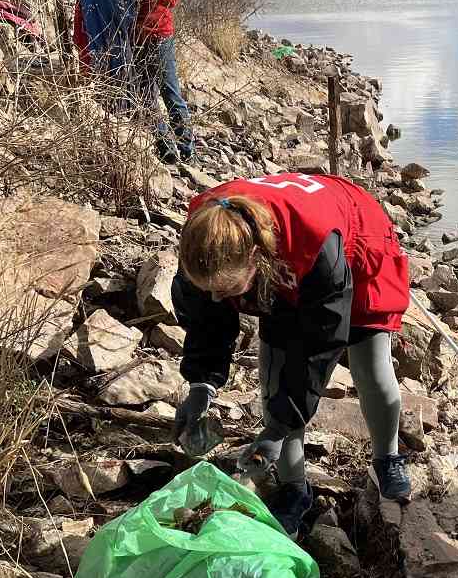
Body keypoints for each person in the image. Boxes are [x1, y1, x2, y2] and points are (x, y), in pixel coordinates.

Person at [170, 172, 413, 537]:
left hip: (354, 241)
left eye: (228, 289)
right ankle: (294, 489)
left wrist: (281, 425)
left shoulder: (317, 249)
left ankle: (386, 458)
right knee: (275, 378)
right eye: (211, 290)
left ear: (254, 257)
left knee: (371, 368)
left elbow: (318, 350)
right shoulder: (205, 236)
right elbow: (207, 317)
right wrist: (201, 385)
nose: (219, 299)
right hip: (282, 254)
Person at [110, 0, 195, 161]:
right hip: (133, 40)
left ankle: (188, 152)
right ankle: (166, 151)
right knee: (145, 97)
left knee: (170, 94)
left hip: (159, 38)